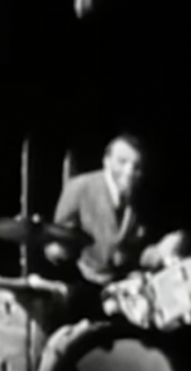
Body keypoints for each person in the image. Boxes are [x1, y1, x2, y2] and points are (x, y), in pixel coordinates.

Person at [44, 133, 181, 319]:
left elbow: (139, 252)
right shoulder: (80, 187)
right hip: (83, 285)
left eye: (137, 167)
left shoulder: (144, 199)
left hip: (123, 290)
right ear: (106, 161)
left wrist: (161, 251)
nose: (129, 172)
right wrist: (58, 250)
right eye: (122, 162)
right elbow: (56, 240)